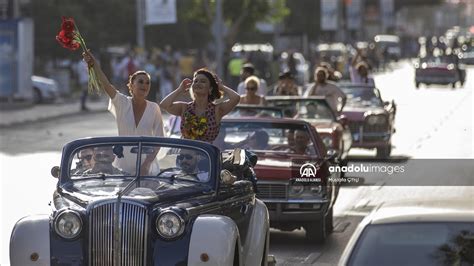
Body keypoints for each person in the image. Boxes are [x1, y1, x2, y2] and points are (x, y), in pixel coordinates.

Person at [82, 50, 164, 175]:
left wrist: (147, 164)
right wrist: (94, 64)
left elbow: (159, 141)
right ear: (131, 85)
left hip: (147, 168)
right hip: (122, 167)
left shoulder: (154, 108)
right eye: (140, 82)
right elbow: (106, 84)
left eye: (148, 82)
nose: (145, 85)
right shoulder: (121, 102)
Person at [160, 68, 240, 143]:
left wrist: (222, 87)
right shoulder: (184, 107)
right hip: (185, 156)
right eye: (196, 81)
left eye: (203, 81)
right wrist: (179, 90)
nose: (198, 83)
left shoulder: (217, 110)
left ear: (210, 89)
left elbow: (236, 98)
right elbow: (164, 105)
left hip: (207, 156)